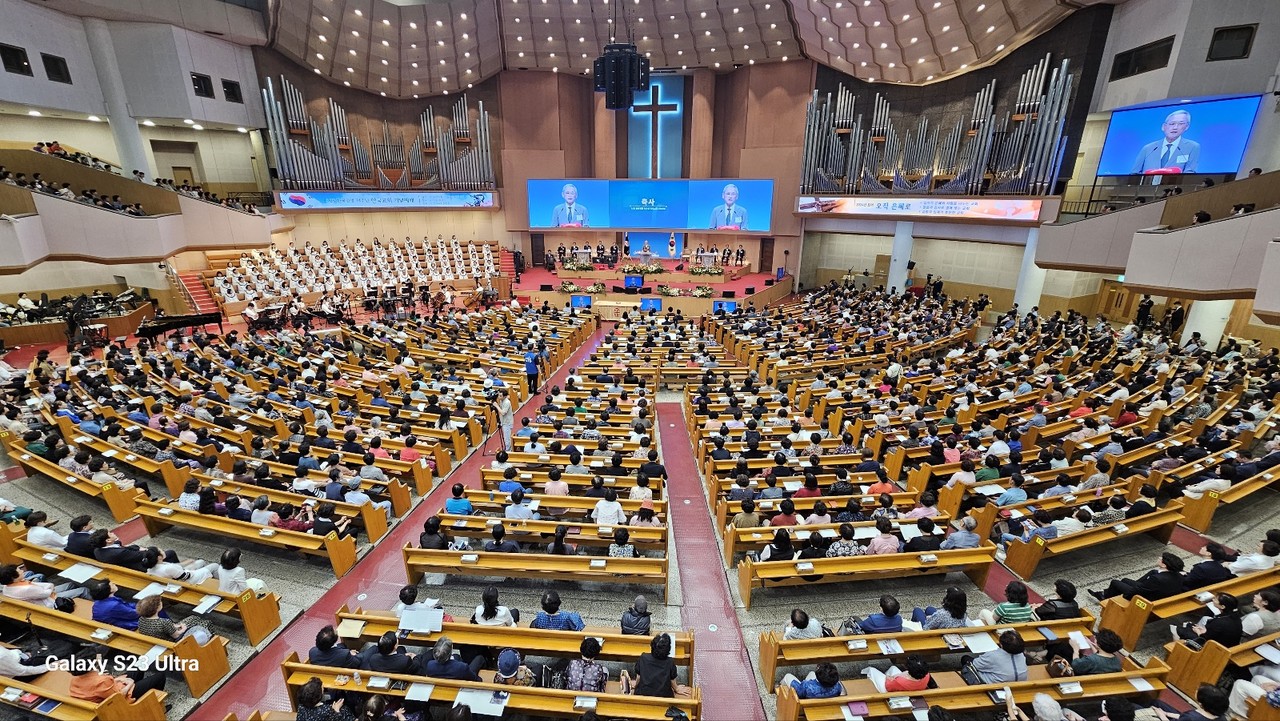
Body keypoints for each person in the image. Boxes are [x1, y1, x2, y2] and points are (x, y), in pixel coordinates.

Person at [1089, 552, 1185, 601]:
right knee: (1125, 580)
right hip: (1155, 594)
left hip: (1143, 598)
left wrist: (1125, 596)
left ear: (1164, 565)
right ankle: (1106, 593)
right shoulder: (1178, 576)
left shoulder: (1156, 579)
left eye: (1161, 559)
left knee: (1115, 582)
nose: (1159, 558)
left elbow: (1138, 591)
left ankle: (1104, 597)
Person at [1130, 109, 1200, 174]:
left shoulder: (1192, 147)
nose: (1175, 127)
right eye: (1172, 124)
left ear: (1187, 127)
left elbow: (1190, 173)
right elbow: (1134, 173)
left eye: (1181, 124)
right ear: (1164, 127)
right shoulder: (1148, 148)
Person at [625, 632, 681, 698]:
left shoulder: (643, 657)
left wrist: (635, 685)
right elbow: (672, 681)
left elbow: (639, 677)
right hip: (663, 697)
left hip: (642, 695)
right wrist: (677, 689)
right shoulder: (670, 662)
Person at [419, 636, 483, 680]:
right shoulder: (462, 667)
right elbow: (474, 678)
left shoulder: (430, 665)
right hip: (459, 684)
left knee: (456, 656)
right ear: (450, 651)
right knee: (479, 658)